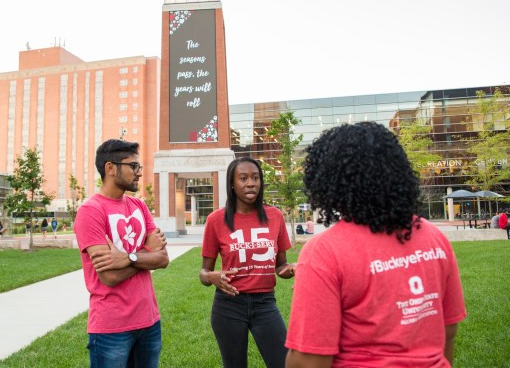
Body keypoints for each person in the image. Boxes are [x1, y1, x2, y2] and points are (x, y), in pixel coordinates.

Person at [285, 122, 467, 368]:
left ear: (329, 180)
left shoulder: (324, 253)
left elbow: (309, 361)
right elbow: (448, 330)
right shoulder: (433, 236)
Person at [73, 139, 169, 368]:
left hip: (149, 321)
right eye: (133, 166)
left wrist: (128, 257)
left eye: (139, 167)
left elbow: (163, 258)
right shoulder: (90, 212)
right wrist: (147, 252)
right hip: (111, 328)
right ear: (110, 168)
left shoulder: (139, 206)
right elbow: (109, 277)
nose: (138, 173)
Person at [200, 156, 294, 368]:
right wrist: (212, 277)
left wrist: (291, 269)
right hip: (229, 305)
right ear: (232, 184)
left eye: (255, 178)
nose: (250, 183)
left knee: (285, 363)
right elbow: (204, 273)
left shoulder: (275, 216)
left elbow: (281, 266)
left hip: (265, 304)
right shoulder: (216, 220)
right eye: (243, 178)